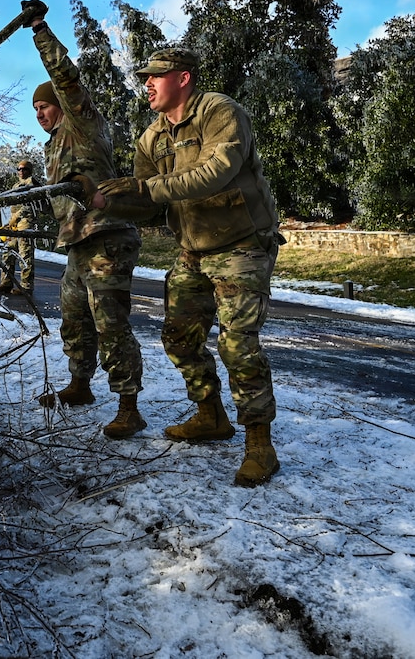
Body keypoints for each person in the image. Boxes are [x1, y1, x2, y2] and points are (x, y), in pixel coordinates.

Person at [92, 47, 283, 486]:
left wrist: (144, 186)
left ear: (184, 78)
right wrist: (105, 200)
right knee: (179, 338)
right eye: (145, 77)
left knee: (237, 345)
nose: (147, 84)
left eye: (156, 76)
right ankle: (211, 416)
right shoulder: (151, 138)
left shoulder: (220, 112)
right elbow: (147, 205)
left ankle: (260, 446)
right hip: (193, 250)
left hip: (242, 245)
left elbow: (215, 172)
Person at [18, 0, 146, 440]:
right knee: (74, 316)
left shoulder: (82, 124)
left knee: (110, 321)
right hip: (77, 243)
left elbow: (65, 78)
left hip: (107, 237)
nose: (41, 114)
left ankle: (129, 405)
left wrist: (39, 30)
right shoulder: (53, 144)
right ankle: (80, 385)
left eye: (45, 107)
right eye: (35, 110)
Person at [0, 159, 42, 296]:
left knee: (25, 256)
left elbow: (29, 206)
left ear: (29, 170)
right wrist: (10, 221)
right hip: (14, 225)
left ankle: (26, 286)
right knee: (7, 252)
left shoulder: (32, 184)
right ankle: (6, 282)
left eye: (24, 169)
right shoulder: (17, 185)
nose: (21, 171)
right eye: (19, 169)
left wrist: (16, 217)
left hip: (27, 224)